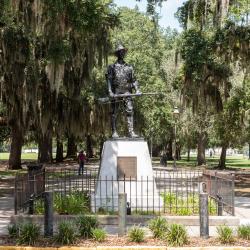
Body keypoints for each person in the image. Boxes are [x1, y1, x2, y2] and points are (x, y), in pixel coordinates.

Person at [106, 44, 141, 138]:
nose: (122, 53)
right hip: (116, 92)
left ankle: (131, 131)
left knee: (130, 110)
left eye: (123, 51)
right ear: (117, 54)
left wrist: (137, 90)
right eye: (120, 51)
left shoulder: (129, 67)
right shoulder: (112, 67)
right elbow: (109, 80)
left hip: (127, 92)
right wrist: (110, 91)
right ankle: (114, 131)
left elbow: (134, 80)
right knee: (114, 112)